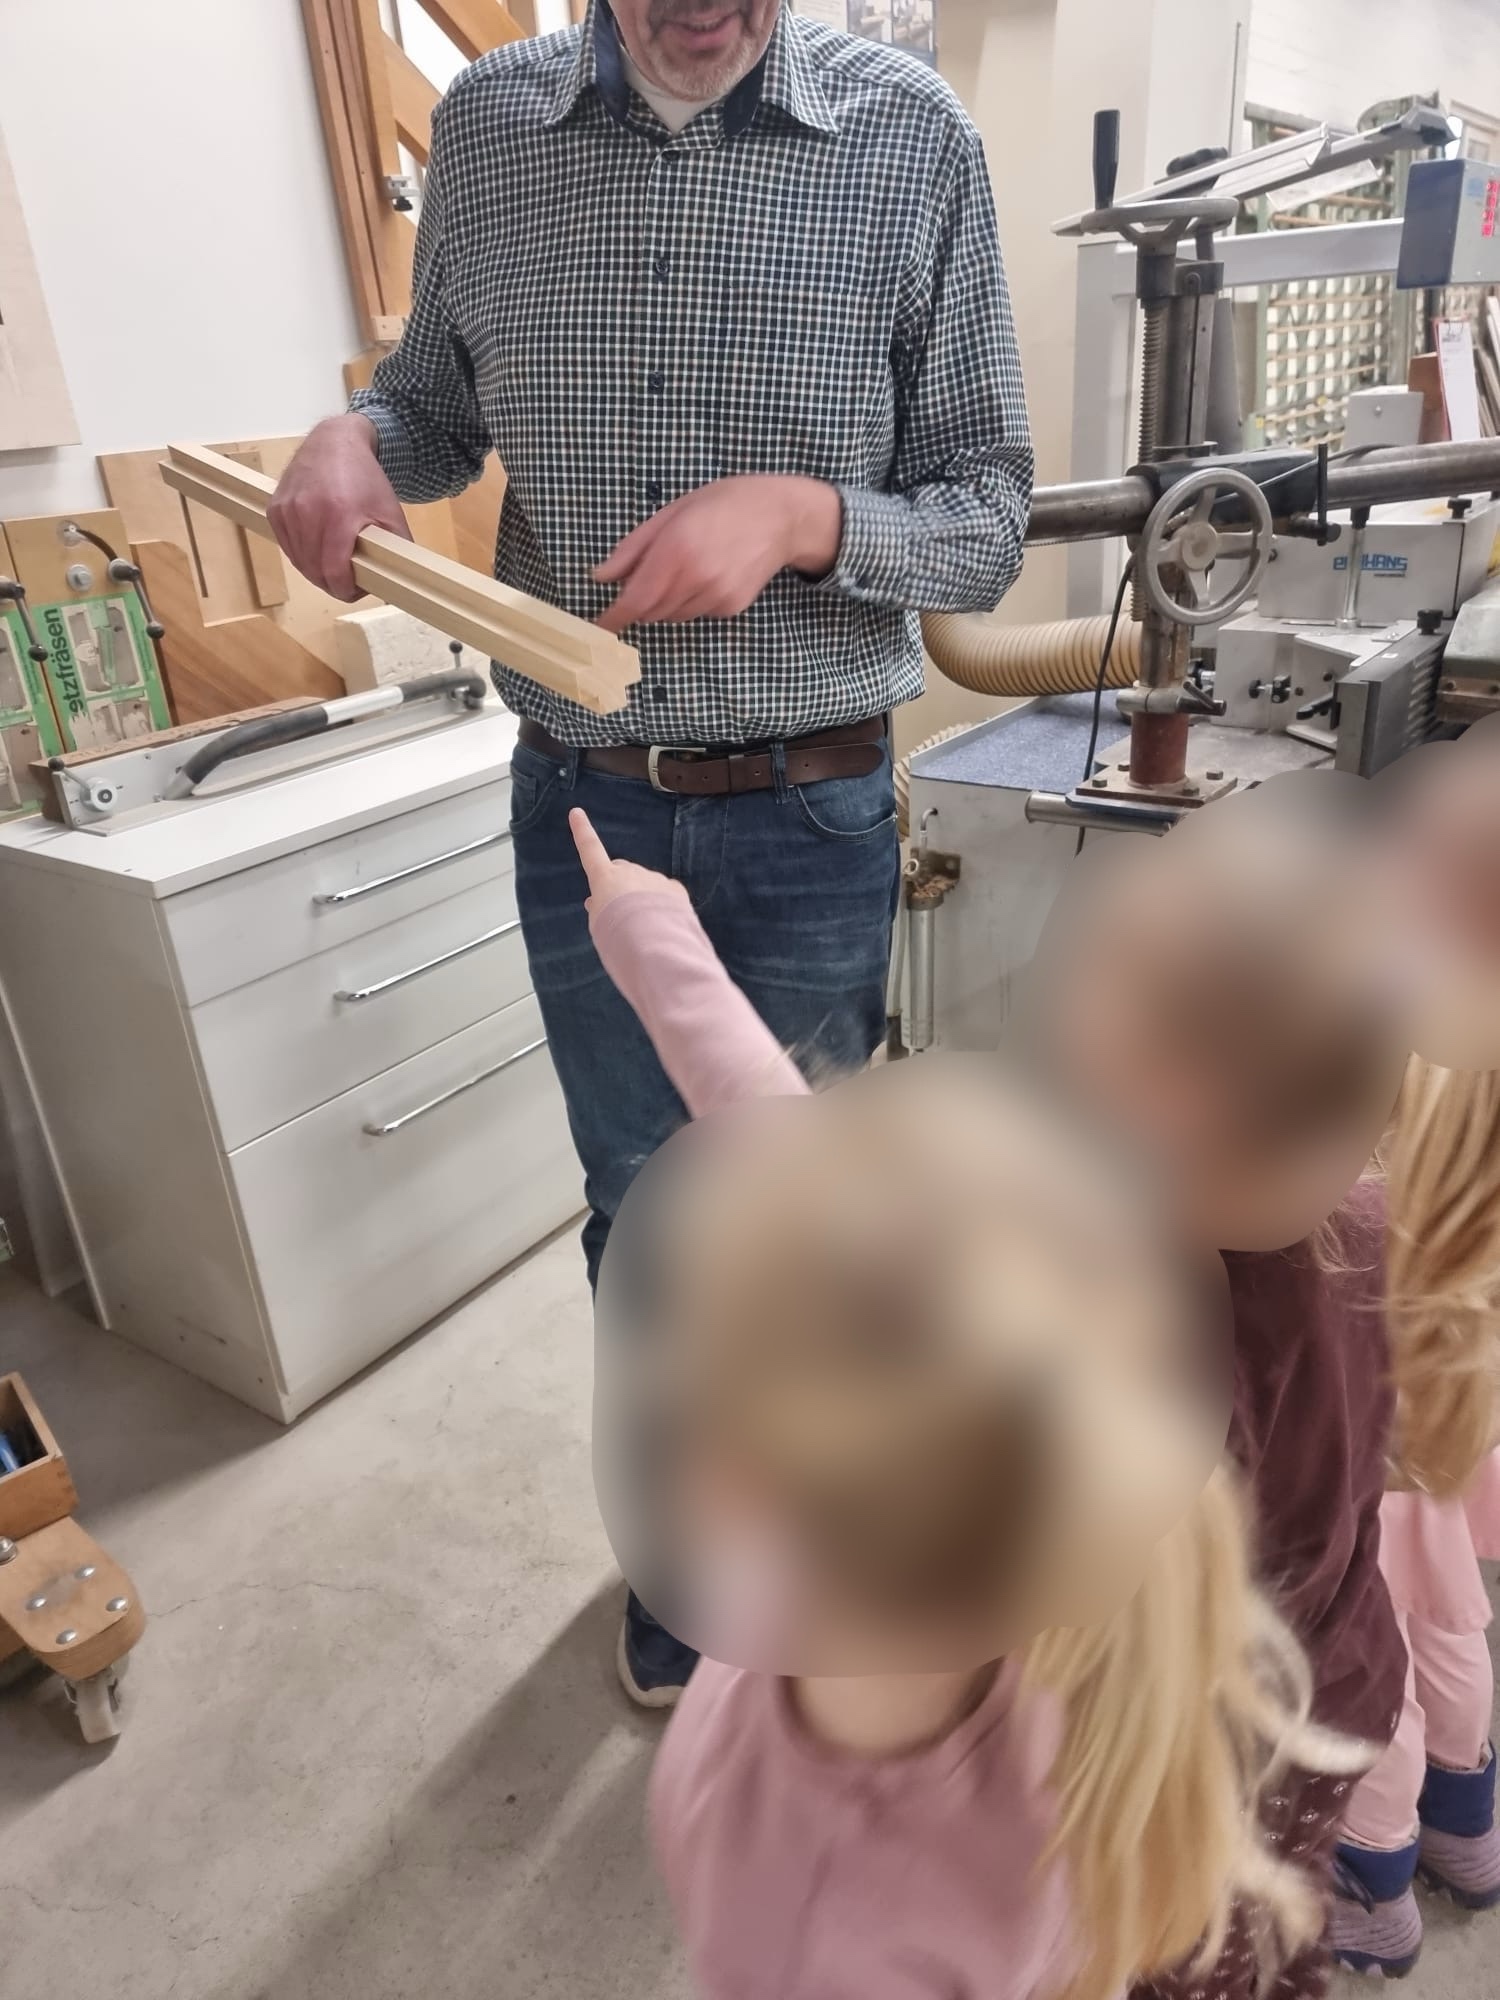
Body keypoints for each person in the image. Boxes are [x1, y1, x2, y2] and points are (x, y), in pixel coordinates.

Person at [266, 0, 1031, 1707]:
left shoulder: (911, 138)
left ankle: (825, 1533)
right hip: (586, 806)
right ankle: (690, 1556)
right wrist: (352, 439)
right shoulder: (490, 128)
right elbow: (432, 409)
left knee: (804, 1232)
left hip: (813, 803)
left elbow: (985, 519)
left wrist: (807, 516)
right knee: (645, 1215)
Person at [571, 806, 1368, 2000]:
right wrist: (657, 943)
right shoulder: (1088, 1394)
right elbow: (810, 1172)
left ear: (733, 1483)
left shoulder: (799, 1884)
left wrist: (654, 943)